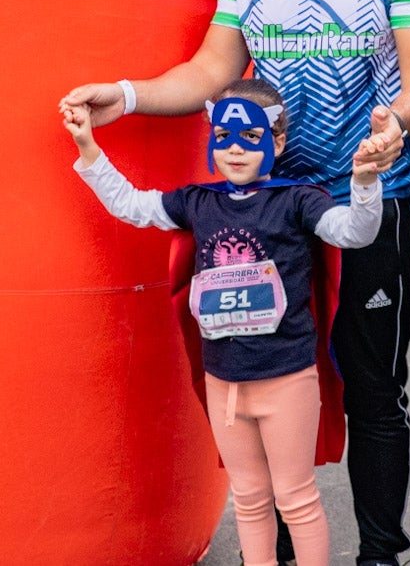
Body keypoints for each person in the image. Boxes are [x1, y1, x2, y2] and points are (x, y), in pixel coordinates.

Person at [61, 0, 410, 566]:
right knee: (264, 385)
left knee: (374, 388)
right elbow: (211, 71)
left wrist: (392, 128)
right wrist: (128, 95)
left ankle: (380, 553)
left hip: (365, 200)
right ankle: (265, 551)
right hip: (265, 209)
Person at [61, 79, 384, 566]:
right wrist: (88, 145)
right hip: (224, 381)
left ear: (276, 141)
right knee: (250, 499)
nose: (234, 149)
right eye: (223, 137)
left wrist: (364, 183)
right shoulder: (197, 201)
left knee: (295, 499)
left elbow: (353, 233)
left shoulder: (296, 200)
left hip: (286, 378)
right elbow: (131, 205)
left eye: (250, 138)